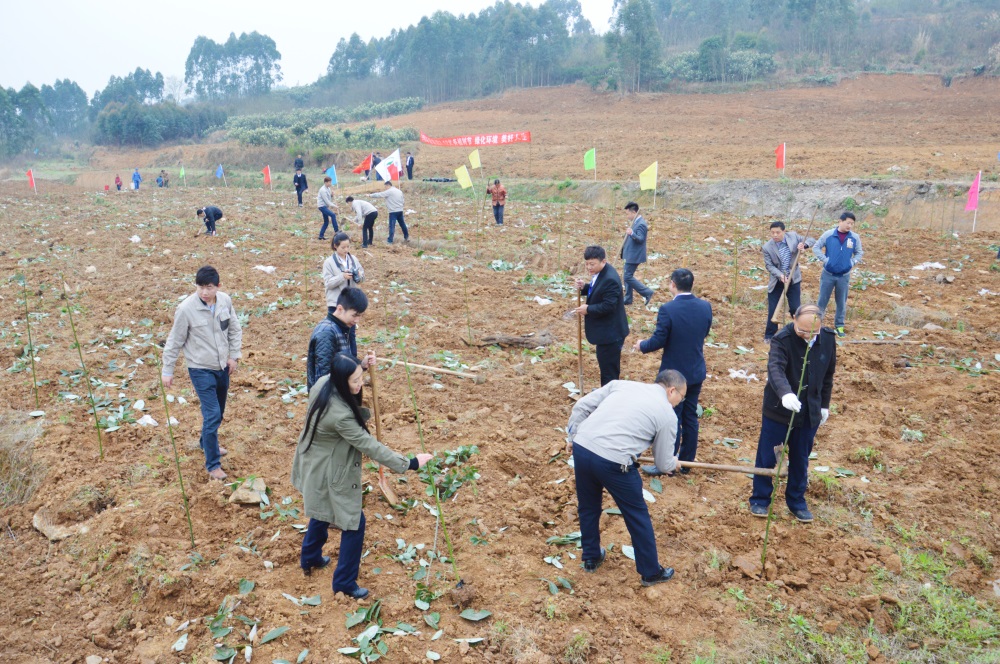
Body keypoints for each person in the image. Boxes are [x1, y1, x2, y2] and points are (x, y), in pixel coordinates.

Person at [293, 353, 433, 598]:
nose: (360, 384)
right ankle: (344, 583)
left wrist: (362, 366)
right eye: (355, 381)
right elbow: (370, 446)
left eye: (361, 378)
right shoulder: (340, 415)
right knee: (355, 523)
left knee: (323, 507)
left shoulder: (324, 382)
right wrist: (410, 463)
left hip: (314, 459)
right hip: (330, 470)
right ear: (341, 380)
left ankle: (310, 557)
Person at [566, 369, 687, 587]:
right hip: (614, 462)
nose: (680, 402)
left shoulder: (621, 385)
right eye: (682, 397)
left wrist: (572, 437)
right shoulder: (667, 414)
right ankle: (651, 572)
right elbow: (663, 463)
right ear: (672, 390)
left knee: (588, 506)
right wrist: (674, 463)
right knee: (636, 515)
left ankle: (591, 557)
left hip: (582, 448)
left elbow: (582, 406)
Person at [748, 305, 836, 523]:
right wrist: (785, 394)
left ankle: (796, 501)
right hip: (778, 411)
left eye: (812, 333)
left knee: (800, 458)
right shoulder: (782, 339)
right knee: (767, 456)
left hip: (809, 413)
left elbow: (828, 375)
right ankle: (760, 499)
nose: (807, 336)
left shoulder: (827, 338)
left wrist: (824, 404)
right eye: (802, 331)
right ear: (794, 318)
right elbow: (775, 369)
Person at [162, 266, 243, 481]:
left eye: (209, 287)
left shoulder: (225, 301)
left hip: (222, 367)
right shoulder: (186, 309)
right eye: (200, 287)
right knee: (212, 414)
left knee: (219, 411)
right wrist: (167, 370)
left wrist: (234, 356)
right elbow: (174, 341)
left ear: (218, 286)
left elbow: (234, 329)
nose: (204, 292)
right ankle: (213, 464)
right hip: (200, 368)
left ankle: (206, 443)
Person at [633, 268, 713, 475]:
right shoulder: (705, 307)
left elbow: (659, 340)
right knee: (690, 417)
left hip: (673, 378)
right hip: (695, 371)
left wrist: (641, 345)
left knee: (671, 417)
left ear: (673, 284)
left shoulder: (668, 309)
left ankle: (667, 463)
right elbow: (704, 332)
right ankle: (686, 463)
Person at [573, 245, 629, 386]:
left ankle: (609, 395)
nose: (589, 267)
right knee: (606, 367)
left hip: (611, 334)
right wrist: (585, 287)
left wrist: (588, 309)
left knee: (609, 372)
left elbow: (609, 305)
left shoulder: (610, 279)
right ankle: (607, 392)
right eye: (587, 264)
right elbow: (598, 290)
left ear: (603, 261)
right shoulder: (602, 273)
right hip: (606, 332)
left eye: (592, 264)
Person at [308, 287, 373, 389]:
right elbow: (324, 378)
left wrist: (362, 365)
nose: (357, 320)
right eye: (354, 315)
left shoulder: (341, 327)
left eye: (360, 316)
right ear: (340, 309)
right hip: (331, 396)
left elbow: (341, 367)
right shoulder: (326, 333)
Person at [813, 212, 863, 337]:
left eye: (852, 224)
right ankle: (816, 325)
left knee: (841, 302)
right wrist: (825, 260)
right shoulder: (829, 235)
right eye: (848, 223)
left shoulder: (854, 237)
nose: (849, 226)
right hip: (828, 274)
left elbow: (859, 252)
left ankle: (839, 326)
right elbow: (816, 247)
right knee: (822, 300)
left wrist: (852, 262)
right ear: (840, 221)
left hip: (844, 276)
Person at [762, 221, 814, 342]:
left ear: (784, 231)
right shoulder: (767, 247)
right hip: (777, 281)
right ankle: (769, 335)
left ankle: (799, 332)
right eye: (772, 233)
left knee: (796, 309)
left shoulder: (793, 237)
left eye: (778, 232)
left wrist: (804, 245)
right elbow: (769, 266)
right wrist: (780, 275)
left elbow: (811, 240)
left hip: (793, 279)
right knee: (773, 309)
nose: (775, 235)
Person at [621, 202, 655, 307]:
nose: (627, 216)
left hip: (634, 256)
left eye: (628, 214)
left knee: (627, 276)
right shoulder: (635, 222)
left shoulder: (641, 224)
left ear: (634, 212)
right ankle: (628, 298)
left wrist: (632, 233)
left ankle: (647, 292)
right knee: (627, 276)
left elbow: (640, 239)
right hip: (630, 255)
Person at [323, 232, 366, 316]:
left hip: (351, 302)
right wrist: (342, 276)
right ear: (335, 246)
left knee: (350, 324)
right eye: (343, 247)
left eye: (348, 247)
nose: (346, 250)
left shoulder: (353, 259)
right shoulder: (329, 262)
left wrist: (359, 275)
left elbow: (362, 277)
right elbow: (328, 284)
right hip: (335, 304)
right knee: (335, 324)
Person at [317, 176, 338, 240]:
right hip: (322, 206)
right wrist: (335, 206)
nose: (330, 183)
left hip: (325, 206)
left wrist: (331, 195)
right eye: (329, 182)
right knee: (333, 215)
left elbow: (328, 197)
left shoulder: (328, 188)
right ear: (326, 182)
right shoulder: (322, 190)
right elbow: (327, 201)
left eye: (330, 182)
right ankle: (337, 231)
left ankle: (321, 236)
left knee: (326, 222)